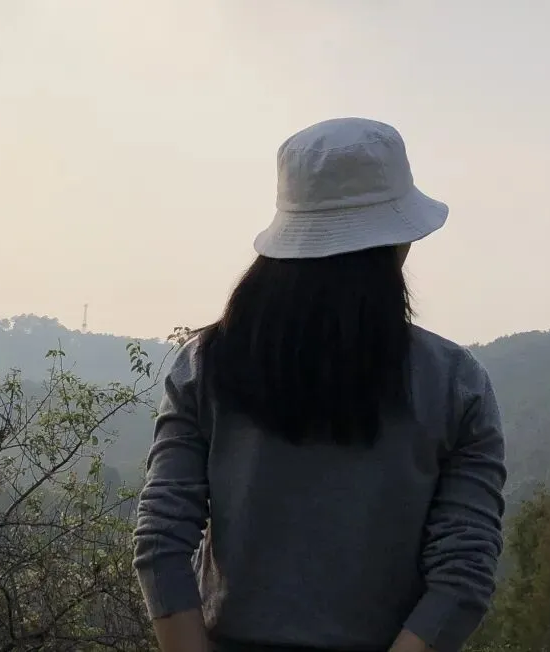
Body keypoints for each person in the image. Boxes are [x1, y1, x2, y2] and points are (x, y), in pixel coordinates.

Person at [133, 117, 506, 652]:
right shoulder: (456, 383)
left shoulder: (207, 366)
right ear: (399, 240)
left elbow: (161, 544)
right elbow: (463, 576)